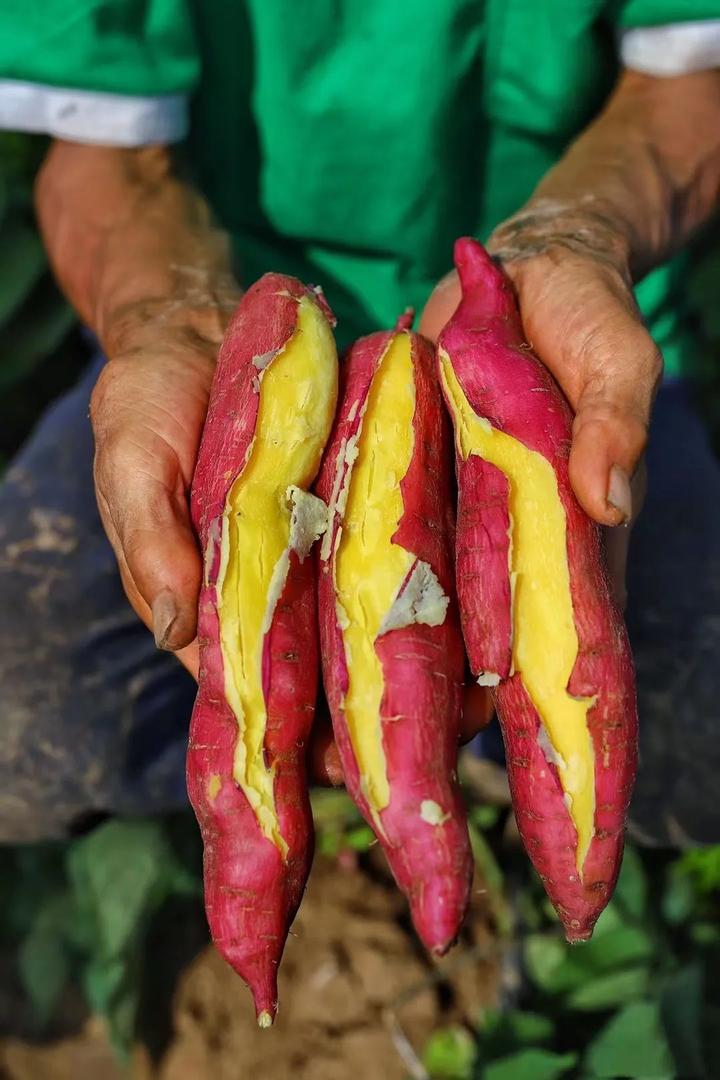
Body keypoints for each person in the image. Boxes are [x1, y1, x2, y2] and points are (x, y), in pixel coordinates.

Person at [0, 3, 719, 847]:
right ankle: (378, 779)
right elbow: (105, 159)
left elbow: (691, 89)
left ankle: (483, 764)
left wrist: (575, 238)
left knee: (692, 753)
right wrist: (167, 318)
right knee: (26, 728)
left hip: (548, 334)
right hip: (235, 333)